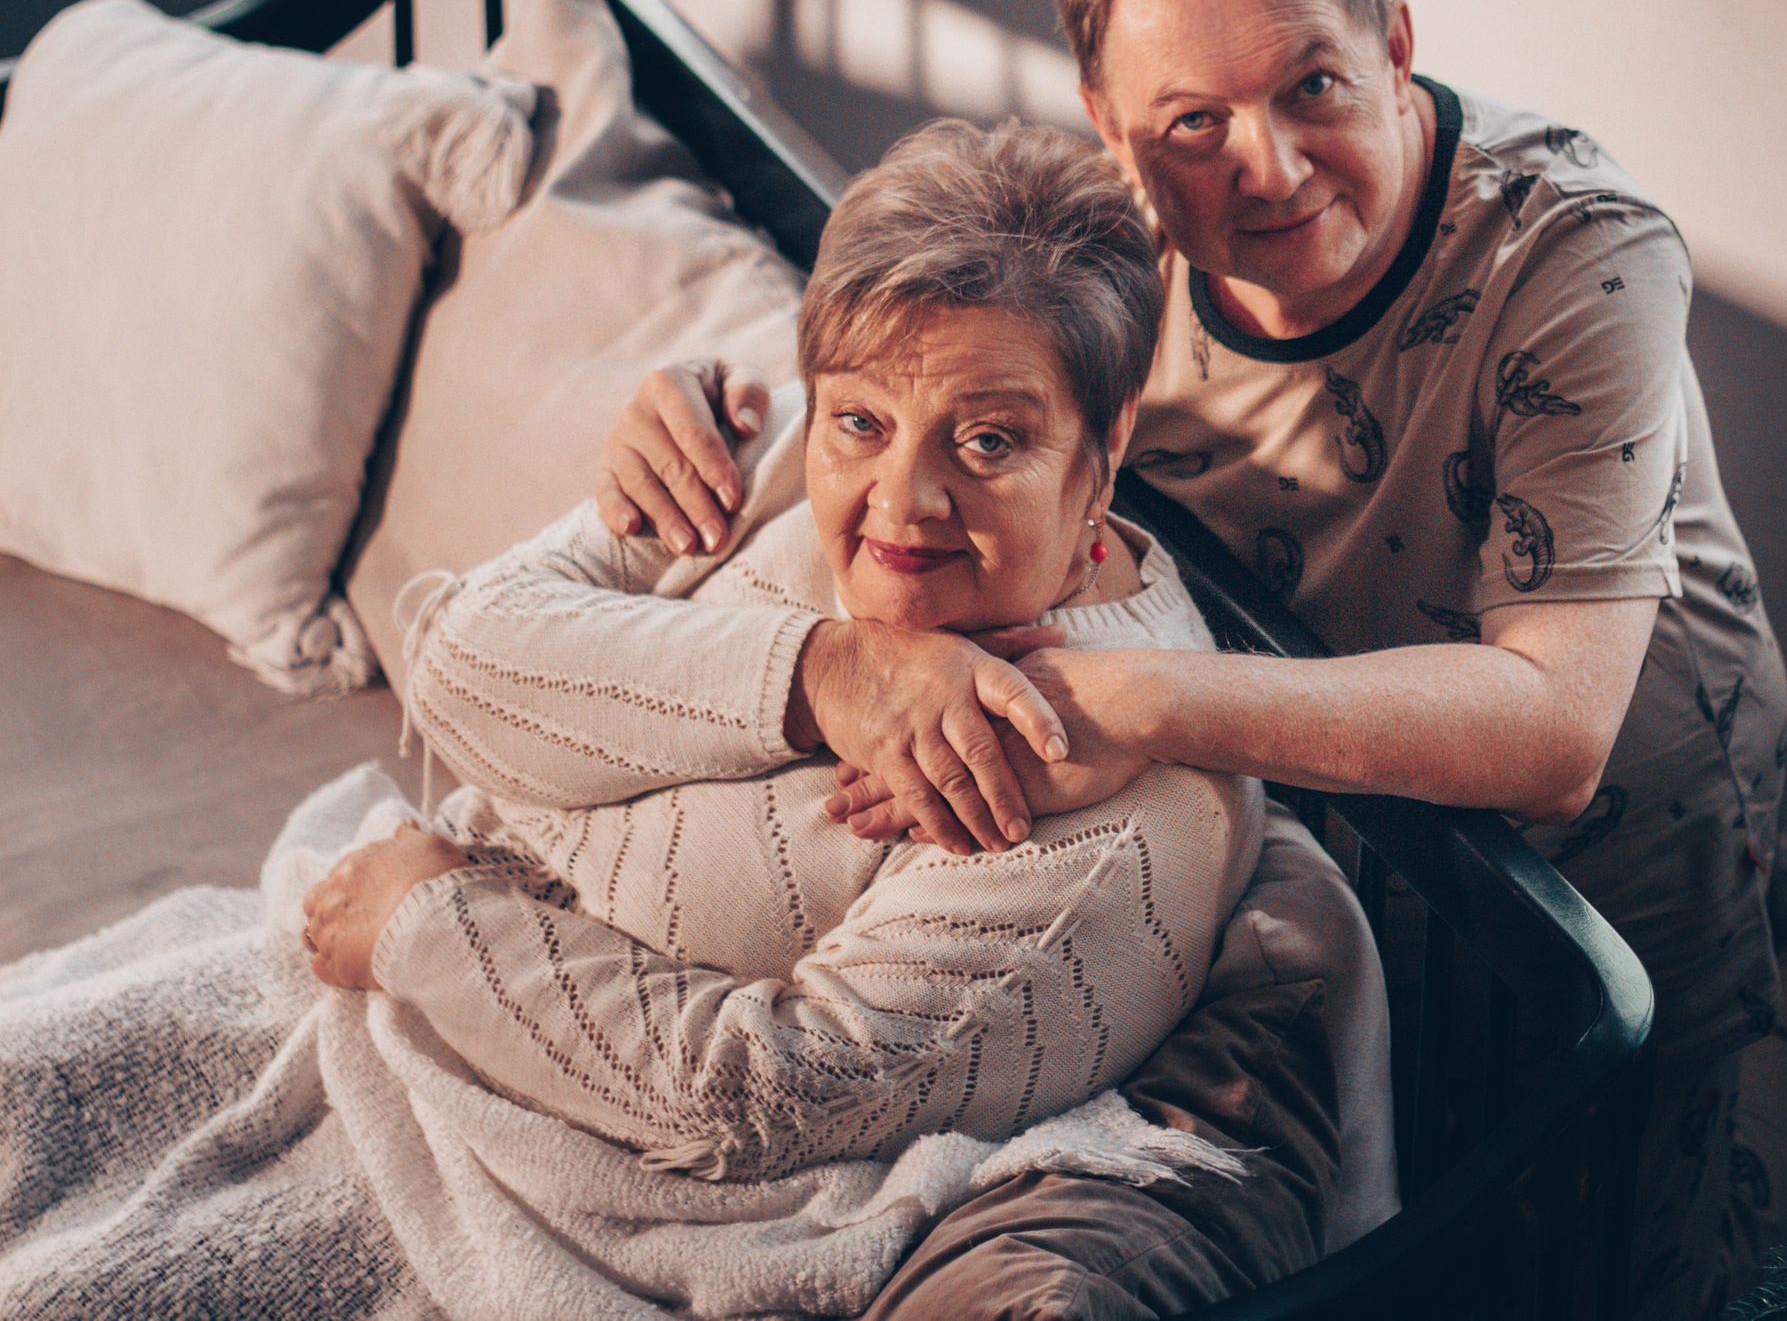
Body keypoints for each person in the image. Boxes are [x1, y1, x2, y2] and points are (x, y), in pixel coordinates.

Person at [599, 0, 1787, 1314]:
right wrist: (708, 398)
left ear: (1394, 44)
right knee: (1440, 1190)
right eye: (1193, 123)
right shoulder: (1108, 248)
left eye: (1313, 83)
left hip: (1619, 817)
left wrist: (1134, 697)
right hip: (1319, 782)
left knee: (1649, 1259)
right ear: (1116, 140)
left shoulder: (1578, 250)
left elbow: (1556, 731)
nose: (1269, 163)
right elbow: (917, 359)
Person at [300, 117, 1282, 1181]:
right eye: (859, 423)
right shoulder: (765, 444)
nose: (900, 503)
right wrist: (826, 677)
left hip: (517, 1102)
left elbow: (767, 1101)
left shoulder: (1114, 829)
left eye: (988, 441)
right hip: (372, 947)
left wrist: (432, 925)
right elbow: (454, 667)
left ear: (1107, 443)